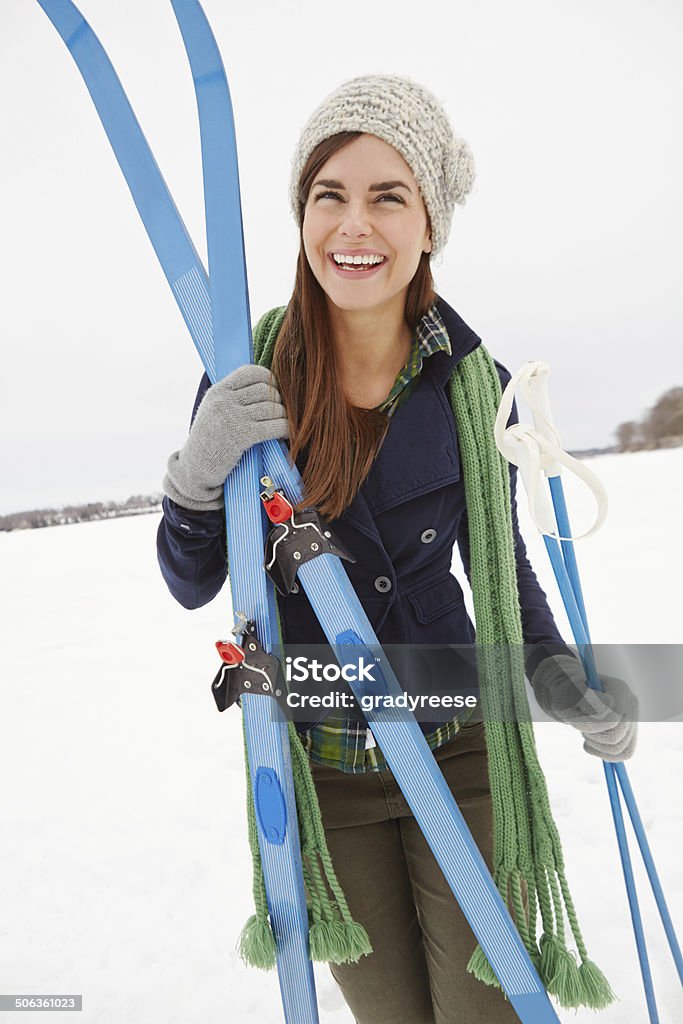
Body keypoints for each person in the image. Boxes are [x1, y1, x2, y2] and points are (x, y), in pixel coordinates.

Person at [157, 75, 637, 1024]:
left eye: (388, 196)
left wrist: (563, 681)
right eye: (328, 195)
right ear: (302, 218)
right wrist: (197, 471)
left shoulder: (471, 384)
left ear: (428, 226)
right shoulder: (245, 376)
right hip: (319, 764)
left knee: (483, 1011)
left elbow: (500, 571)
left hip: (458, 747)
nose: (353, 224)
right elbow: (190, 581)